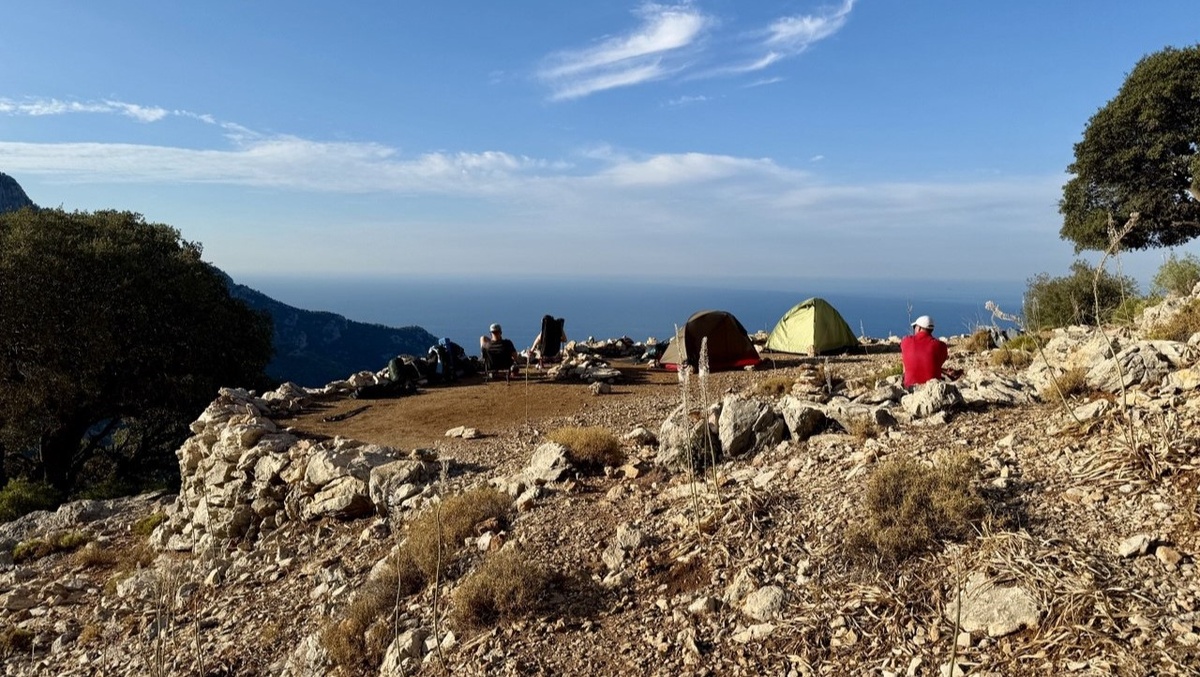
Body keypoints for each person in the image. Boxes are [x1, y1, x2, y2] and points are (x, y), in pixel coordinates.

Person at [901, 315, 952, 389]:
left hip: (910, 389)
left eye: (914, 327)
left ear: (919, 328)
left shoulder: (906, 341)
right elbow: (937, 363)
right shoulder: (941, 346)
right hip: (932, 389)